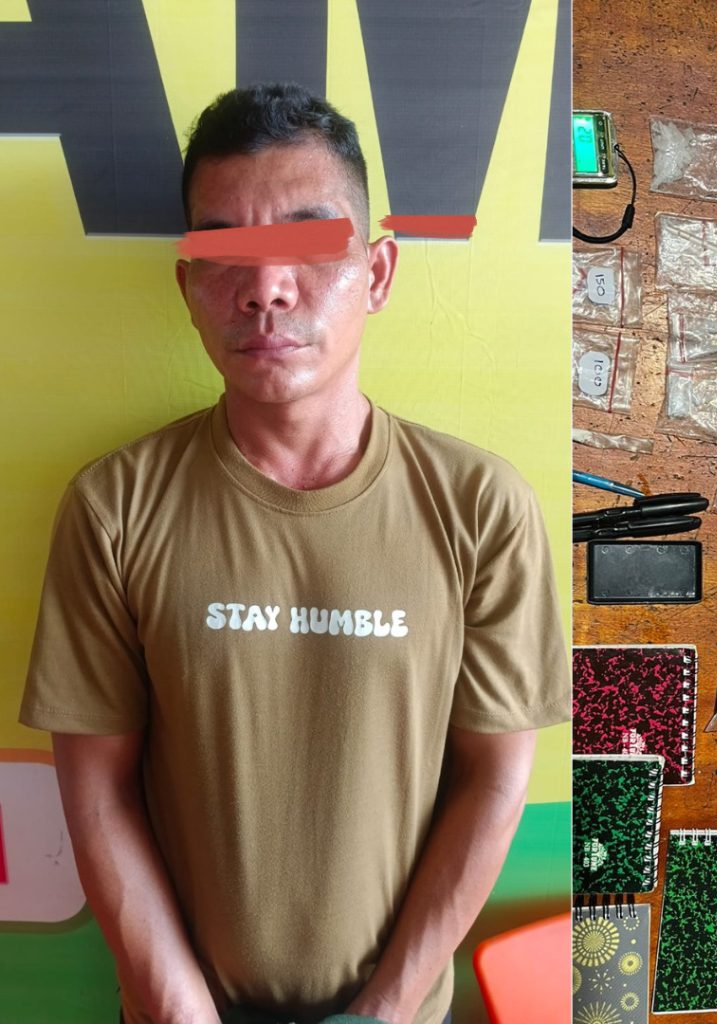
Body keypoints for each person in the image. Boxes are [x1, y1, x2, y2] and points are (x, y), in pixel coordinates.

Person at [19, 83, 569, 1024]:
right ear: (189, 286)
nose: (266, 287)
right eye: (224, 250)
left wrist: (382, 1012)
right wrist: (182, 1011)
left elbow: (495, 776)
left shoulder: (482, 508)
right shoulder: (114, 507)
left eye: (312, 245)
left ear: (378, 273)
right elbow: (98, 790)